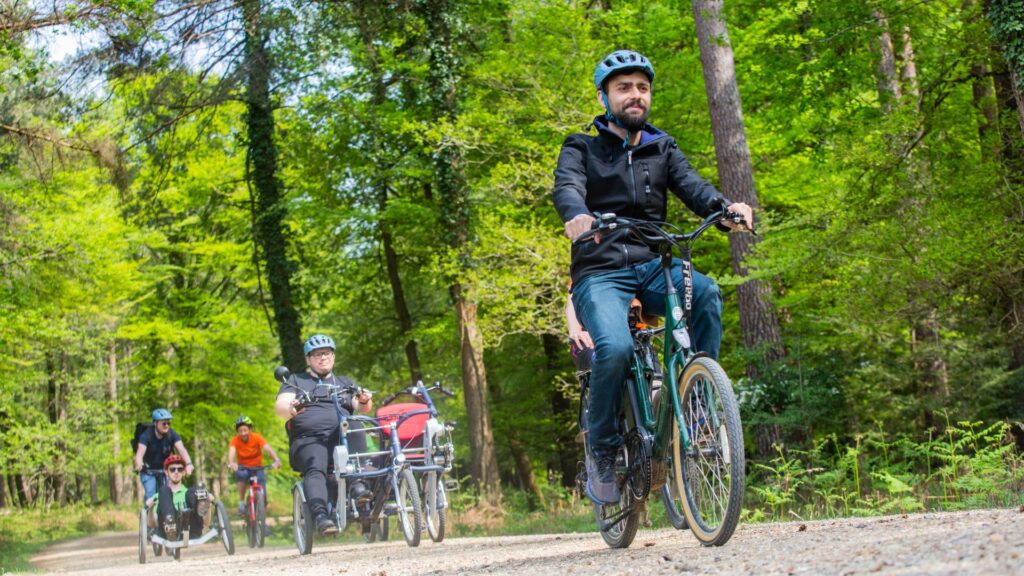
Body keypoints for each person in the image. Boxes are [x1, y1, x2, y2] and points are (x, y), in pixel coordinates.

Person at [552, 49, 754, 505]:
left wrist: (725, 210)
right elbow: (566, 186)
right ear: (605, 95)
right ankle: (602, 449)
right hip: (600, 271)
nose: (635, 95)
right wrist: (576, 215)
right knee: (617, 347)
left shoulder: (662, 147)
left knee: (704, 292)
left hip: (651, 263)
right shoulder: (579, 146)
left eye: (642, 87)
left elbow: (694, 187)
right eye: (624, 87)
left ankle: (698, 402)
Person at [274, 334, 374, 535]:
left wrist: (364, 399)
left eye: (327, 353)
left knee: (354, 424)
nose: (323, 358)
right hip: (309, 439)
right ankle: (321, 516)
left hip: (341, 435)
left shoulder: (345, 382)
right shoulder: (295, 381)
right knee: (315, 465)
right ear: (308, 359)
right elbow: (281, 406)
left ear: (333, 356)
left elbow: (362, 408)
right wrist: (291, 408)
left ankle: (358, 486)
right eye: (317, 354)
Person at [134, 408, 195, 502]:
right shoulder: (146, 436)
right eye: (164, 423)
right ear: (155, 423)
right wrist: (139, 463)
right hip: (148, 471)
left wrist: (189, 464)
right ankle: (147, 515)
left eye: (168, 423)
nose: (167, 426)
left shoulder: (171, 434)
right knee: (151, 495)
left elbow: (182, 450)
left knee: (171, 492)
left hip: (166, 470)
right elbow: (139, 454)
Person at [148, 454, 212, 541]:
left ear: (184, 472)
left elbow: (206, 523)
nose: (176, 472)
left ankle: (201, 505)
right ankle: (170, 521)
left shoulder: (190, 493)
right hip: (168, 532)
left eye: (180, 469)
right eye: (172, 469)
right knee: (164, 490)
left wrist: (208, 504)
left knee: (192, 491)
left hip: (192, 528)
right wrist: (151, 508)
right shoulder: (159, 496)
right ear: (167, 472)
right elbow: (152, 524)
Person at [228, 415, 282, 515]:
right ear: (237, 432)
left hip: (258, 468)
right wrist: (231, 463)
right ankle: (241, 501)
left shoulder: (256, 438)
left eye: (245, 430)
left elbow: (268, 449)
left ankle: (262, 523)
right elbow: (231, 452)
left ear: (250, 429)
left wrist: (277, 460)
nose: (243, 433)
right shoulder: (235, 440)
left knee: (263, 496)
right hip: (243, 468)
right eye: (240, 431)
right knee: (241, 475)